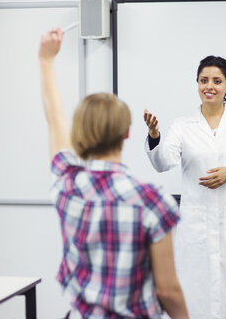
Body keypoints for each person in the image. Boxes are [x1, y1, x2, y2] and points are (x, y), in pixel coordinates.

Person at [39, 28, 189, 319]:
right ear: (127, 133)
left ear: (79, 132)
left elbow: (54, 118)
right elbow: (168, 291)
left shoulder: (67, 185)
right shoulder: (151, 200)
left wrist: (46, 61)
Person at [143, 55, 226, 318]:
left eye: (217, 81)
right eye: (203, 80)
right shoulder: (182, 125)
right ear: (197, 84)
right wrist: (155, 136)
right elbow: (163, 162)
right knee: (196, 293)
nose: (209, 86)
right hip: (196, 227)